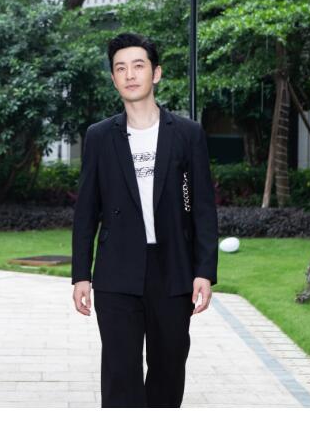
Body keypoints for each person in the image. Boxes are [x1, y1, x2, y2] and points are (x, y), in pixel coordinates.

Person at [71, 33, 219, 407]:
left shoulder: (187, 134)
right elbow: (86, 211)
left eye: (138, 66)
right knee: (120, 374)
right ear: (113, 78)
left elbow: (203, 208)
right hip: (116, 271)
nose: (130, 74)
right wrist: (81, 274)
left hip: (172, 270)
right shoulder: (100, 137)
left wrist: (204, 270)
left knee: (169, 369)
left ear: (156, 73)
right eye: (120, 68)